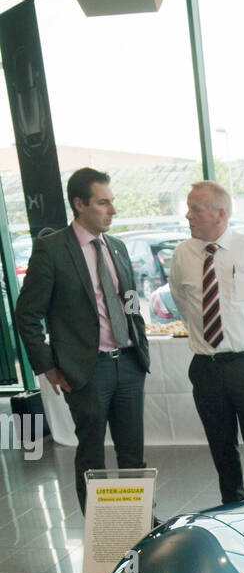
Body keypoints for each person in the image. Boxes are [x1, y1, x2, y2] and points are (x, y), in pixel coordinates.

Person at [14, 167, 150, 514]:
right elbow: (27, 314)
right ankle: (101, 536)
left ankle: (137, 527)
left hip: (129, 363)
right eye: (103, 203)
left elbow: (129, 297)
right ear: (79, 204)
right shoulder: (52, 250)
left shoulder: (116, 247)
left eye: (112, 202)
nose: (112, 211)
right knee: (91, 457)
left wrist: (139, 338)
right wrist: (47, 366)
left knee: (133, 454)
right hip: (88, 371)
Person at [169, 181, 244, 505]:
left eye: (195, 210)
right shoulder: (183, 254)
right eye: (188, 209)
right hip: (206, 367)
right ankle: (232, 506)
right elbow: (183, 301)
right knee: (221, 446)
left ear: (220, 214)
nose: (188, 216)